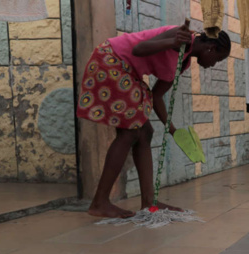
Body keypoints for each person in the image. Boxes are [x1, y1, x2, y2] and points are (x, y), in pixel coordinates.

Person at [77, 21, 231, 218]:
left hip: (127, 71)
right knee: (130, 131)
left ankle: (149, 201)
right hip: (110, 60)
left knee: (145, 132)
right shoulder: (179, 35)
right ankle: (100, 202)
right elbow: (139, 49)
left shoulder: (183, 61)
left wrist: (173, 129)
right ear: (210, 47)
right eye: (217, 59)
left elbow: (156, 96)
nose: (212, 65)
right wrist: (171, 41)